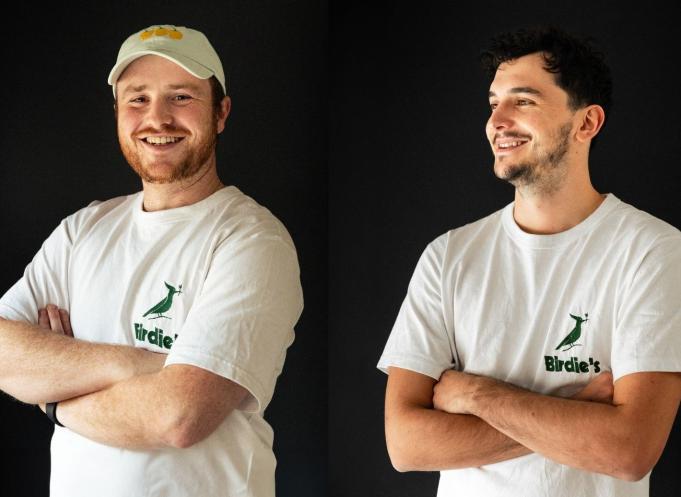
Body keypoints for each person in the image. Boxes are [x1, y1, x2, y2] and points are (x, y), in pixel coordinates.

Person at [0, 24, 303, 497]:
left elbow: (178, 416)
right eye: (138, 99)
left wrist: (54, 400)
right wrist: (138, 364)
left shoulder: (252, 240)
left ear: (221, 112)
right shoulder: (83, 230)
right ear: (118, 111)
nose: (157, 119)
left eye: (181, 97)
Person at [378, 25, 681, 496]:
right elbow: (405, 445)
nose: (497, 120)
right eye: (493, 103)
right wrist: (577, 412)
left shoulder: (653, 251)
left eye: (523, 101)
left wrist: (474, 395)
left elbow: (628, 450)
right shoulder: (449, 256)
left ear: (586, 123)